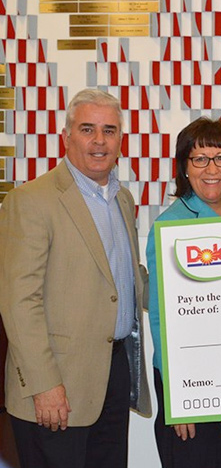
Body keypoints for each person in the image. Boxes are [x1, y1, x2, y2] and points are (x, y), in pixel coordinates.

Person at [0, 89, 151, 468]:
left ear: (120, 139)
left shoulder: (122, 199)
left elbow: (124, 279)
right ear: (67, 136)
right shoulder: (31, 200)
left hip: (112, 378)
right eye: (88, 129)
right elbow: (19, 302)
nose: (99, 141)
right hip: (56, 388)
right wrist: (44, 384)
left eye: (109, 130)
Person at [145, 117, 221, 468]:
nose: (211, 169)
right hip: (190, 379)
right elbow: (162, 319)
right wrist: (180, 398)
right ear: (185, 167)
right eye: (199, 159)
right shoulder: (171, 225)